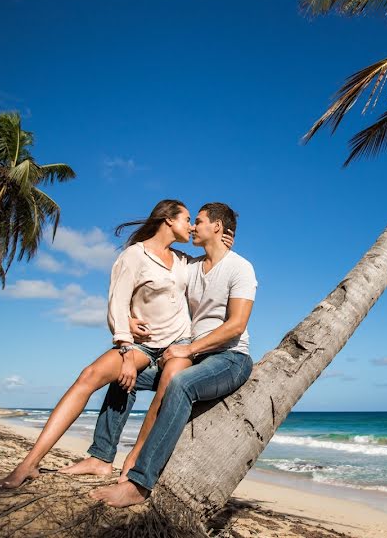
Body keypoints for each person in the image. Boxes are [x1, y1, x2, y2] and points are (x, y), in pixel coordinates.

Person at [0, 199, 202, 488]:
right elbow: (117, 303)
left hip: (178, 344)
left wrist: (223, 240)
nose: (191, 225)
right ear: (168, 220)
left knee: (167, 384)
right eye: (187, 219)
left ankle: (131, 461)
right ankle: (30, 464)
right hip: (141, 345)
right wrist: (127, 345)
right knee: (91, 375)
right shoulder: (134, 256)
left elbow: (214, 263)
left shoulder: (184, 261)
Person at [78, 203, 256, 507]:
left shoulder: (240, 267)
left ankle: (139, 483)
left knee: (181, 385)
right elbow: (156, 277)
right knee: (125, 375)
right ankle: (101, 456)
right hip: (196, 356)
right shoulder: (190, 267)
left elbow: (236, 325)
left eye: (198, 222)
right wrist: (129, 319)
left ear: (216, 227)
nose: (192, 227)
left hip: (230, 359)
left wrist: (188, 348)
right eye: (191, 221)